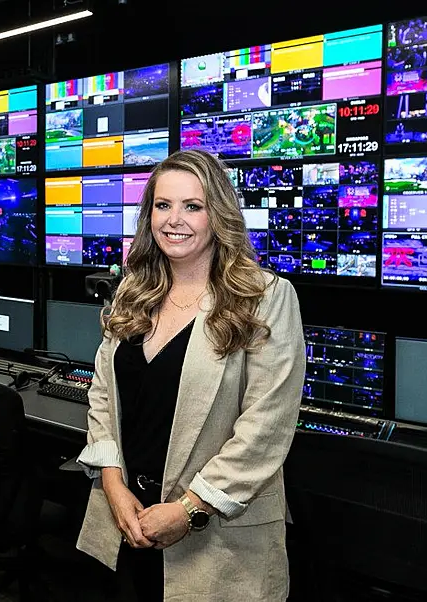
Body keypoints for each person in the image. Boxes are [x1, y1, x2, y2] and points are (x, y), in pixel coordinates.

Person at [75, 149, 306, 600]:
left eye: (192, 206)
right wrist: (112, 482)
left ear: (217, 214)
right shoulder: (135, 290)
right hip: (126, 518)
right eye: (163, 205)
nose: (173, 220)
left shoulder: (265, 298)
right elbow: (102, 395)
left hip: (215, 538)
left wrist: (189, 510)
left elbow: (265, 429)